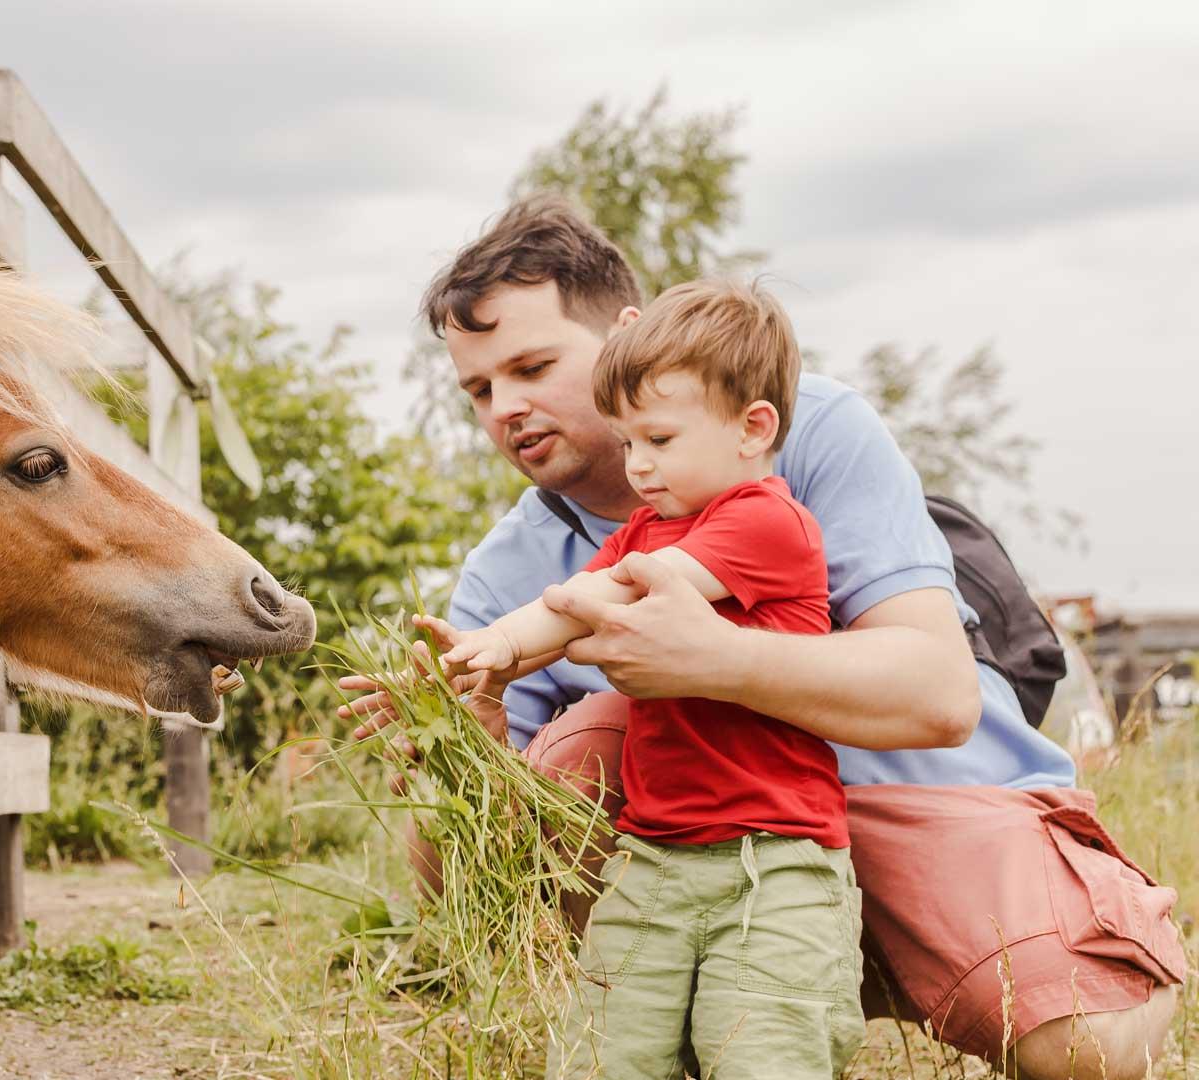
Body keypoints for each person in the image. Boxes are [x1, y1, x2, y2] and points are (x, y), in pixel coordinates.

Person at [342, 195, 1184, 1079]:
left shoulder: (799, 428)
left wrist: (718, 661)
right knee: (586, 744)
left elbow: (940, 699)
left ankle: (1102, 936)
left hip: (923, 805)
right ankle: (698, 1029)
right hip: (696, 861)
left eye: (532, 365)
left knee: (1084, 1053)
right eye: (478, 388)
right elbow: (469, 892)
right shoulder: (506, 569)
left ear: (631, 337)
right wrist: (455, 750)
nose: (504, 407)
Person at [432, 278, 862, 1077]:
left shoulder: (769, 521)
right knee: (605, 1051)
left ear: (752, 428)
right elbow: (567, 615)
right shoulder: (646, 527)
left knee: (761, 1050)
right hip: (656, 852)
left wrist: (522, 631)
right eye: (627, 443)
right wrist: (486, 650)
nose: (637, 465)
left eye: (659, 441)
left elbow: (614, 596)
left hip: (773, 858)